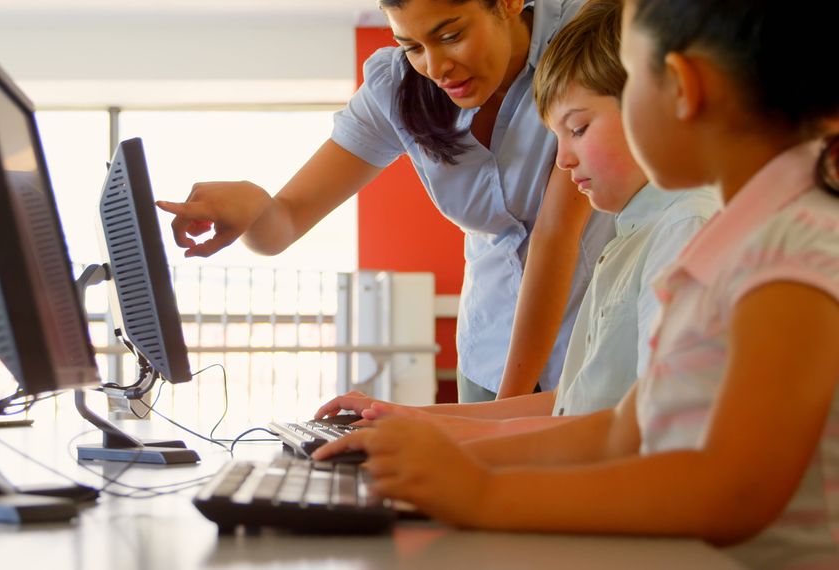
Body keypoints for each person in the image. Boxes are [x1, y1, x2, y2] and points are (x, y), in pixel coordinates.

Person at [313, 0, 839, 567]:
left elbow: (735, 491)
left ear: (682, 88)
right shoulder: (730, 241)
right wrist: (442, 449)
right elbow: (620, 431)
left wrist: (483, 495)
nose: (560, 160)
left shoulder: (789, 247)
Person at [158, 0, 616, 403]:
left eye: (450, 35)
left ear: (510, 2)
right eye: (412, 46)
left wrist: (501, 416)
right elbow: (283, 225)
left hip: (601, 334)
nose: (436, 68)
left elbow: (556, 236)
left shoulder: (580, 37)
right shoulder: (395, 88)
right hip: (492, 350)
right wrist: (254, 205)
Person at [313, 0, 719, 440]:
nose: (561, 160)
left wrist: (473, 468)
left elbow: (643, 439)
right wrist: (407, 420)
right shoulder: (626, 241)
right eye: (411, 46)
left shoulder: (684, 231)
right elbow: (574, 403)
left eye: (578, 129)